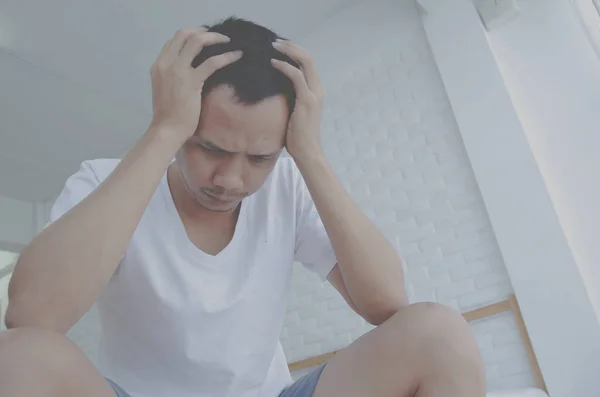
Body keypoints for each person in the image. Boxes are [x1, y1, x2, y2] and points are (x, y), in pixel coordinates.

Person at [0, 17, 485, 397]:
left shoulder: (289, 184)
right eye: (209, 148)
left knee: (439, 332)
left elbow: (386, 303)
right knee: (20, 358)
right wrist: (163, 131)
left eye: (259, 158)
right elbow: (33, 317)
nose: (231, 180)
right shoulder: (105, 182)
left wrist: (308, 154)